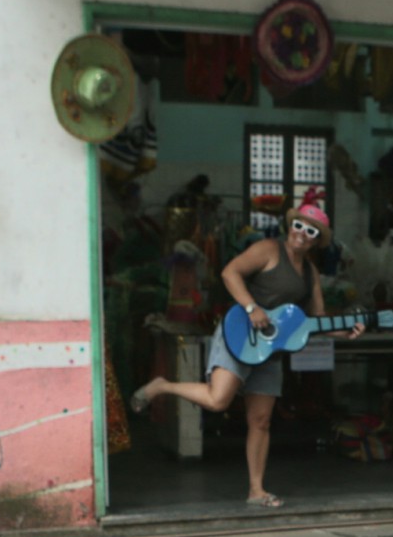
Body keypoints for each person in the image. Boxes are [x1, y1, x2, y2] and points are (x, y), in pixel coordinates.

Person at [131, 188, 358, 508]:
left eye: (312, 231)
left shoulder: (311, 274)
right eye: (299, 226)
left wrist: (345, 331)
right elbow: (229, 272)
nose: (302, 234)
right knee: (217, 399)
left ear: (317, 239)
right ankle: (162, 386)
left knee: (261, 421)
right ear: (290, 226)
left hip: (271, 350)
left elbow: (316, 320)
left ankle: (256, 490)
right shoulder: (268, 249)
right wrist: (252, 307)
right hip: (240, 334)